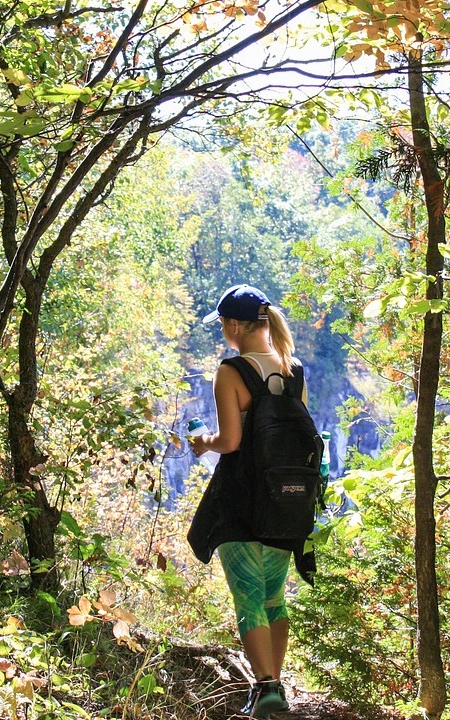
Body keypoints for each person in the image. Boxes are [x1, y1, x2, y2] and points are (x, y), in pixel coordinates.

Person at [187, 283, 308, 718]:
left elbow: (232, 441)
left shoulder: (232, 371)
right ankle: (274, 689)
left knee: (248, 597)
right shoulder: (294, 370)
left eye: (223, 324)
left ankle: (267, 688)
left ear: (236, 325)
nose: (222, 331)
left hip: (241, 498)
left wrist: (204, 442)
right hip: (286, 501)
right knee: (274, 596)